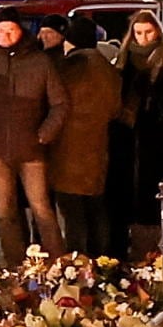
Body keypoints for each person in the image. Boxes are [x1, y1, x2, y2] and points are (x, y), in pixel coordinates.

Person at [0, 8, 62, 262]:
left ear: (20, 31)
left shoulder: (40, 62)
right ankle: (14, 267)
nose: (5, 35)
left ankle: (58, 265)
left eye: (10, 30)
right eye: (0, 30)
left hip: (32, 148)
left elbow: (60, 104)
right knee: (4, 212)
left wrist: (44, 134)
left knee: (41, 209)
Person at [110, 11, 163, 253]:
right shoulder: (124, 58)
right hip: (127, 134)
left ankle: (152, 246)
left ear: (157, 31)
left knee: (154, 190)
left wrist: (159, 100)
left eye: (148, 32)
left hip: (157, 134)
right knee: (126, 190)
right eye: (138, 32)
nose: (143, 37)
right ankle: (125, 245)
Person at [46, 22, 123, 257]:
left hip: (68, 150)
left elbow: (54, 102)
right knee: (96, 209)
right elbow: (115, 109)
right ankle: (103, 260)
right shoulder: (106, 68)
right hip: (98, 148)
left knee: (73, 213)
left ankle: (79, 263)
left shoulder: (70, 67)